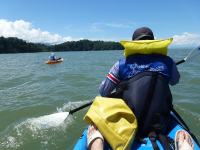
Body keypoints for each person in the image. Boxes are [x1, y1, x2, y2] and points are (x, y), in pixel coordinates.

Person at [99, 27, 180, 97]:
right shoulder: (169, 62)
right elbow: (174, 82)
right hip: (159, 113)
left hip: (129, 113)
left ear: (133, 42)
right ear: (153, 41)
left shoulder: (121, 64)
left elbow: (103, 92)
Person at [87, 123, 194, 150]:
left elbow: (103, 90)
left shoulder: (121, 65)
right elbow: (175, 80)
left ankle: (96, 146)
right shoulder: (167, 65)